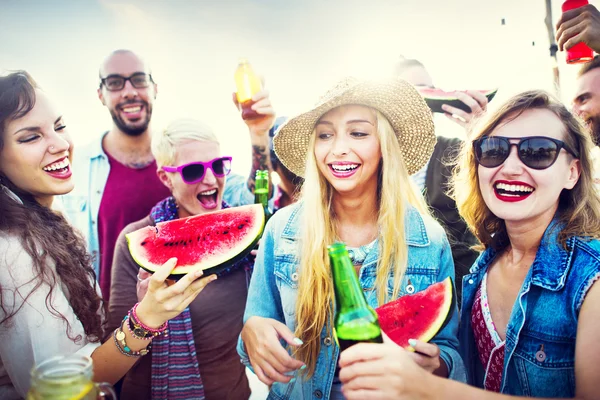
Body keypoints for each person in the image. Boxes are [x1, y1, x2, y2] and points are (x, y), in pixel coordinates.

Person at [337, 90, 600, 399]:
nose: (511, 167)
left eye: (539, 151)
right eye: (493, 150)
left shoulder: (591, 280)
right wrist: (435, 366)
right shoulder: (483, 267)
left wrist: (428, 387)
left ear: (572, 172)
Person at [237, 77, 464, 400]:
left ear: (384, 144)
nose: (338, 148)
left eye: (358, 133)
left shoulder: (429, 238)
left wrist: (436, 364)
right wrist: (251, 333)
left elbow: (449, 351)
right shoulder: (282, 230)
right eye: (325, 135)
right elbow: (254, 329)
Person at [0, 71, 216, 399]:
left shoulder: (46, 221)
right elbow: (64, 385)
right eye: (31, 137)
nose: (60, 144)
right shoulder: (14, 249)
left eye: (58, 127)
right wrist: (148, 317)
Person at [107, 116, 275, 399]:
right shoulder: (134, 241)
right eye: (193, 170)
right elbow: (112, 365)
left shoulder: (251, 240)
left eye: (218, 165)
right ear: (165, 177)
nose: (210, 179)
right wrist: (144, 314)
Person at [62, 49, 170, 302]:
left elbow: (250, 196)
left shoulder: (187, 161)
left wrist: (257, 133)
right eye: (115, 83)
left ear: (155, 87)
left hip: (186, 316)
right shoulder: (73, 166)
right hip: (107, 323)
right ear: (101, 95)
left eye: (139, 79)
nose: (129, 91)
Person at [396, 57, 486, 303]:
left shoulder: (458, 151)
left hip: (456, 290)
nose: (422, 98)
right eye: (410, 91)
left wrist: (483, 136)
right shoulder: (373, 160)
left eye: (427, 88)